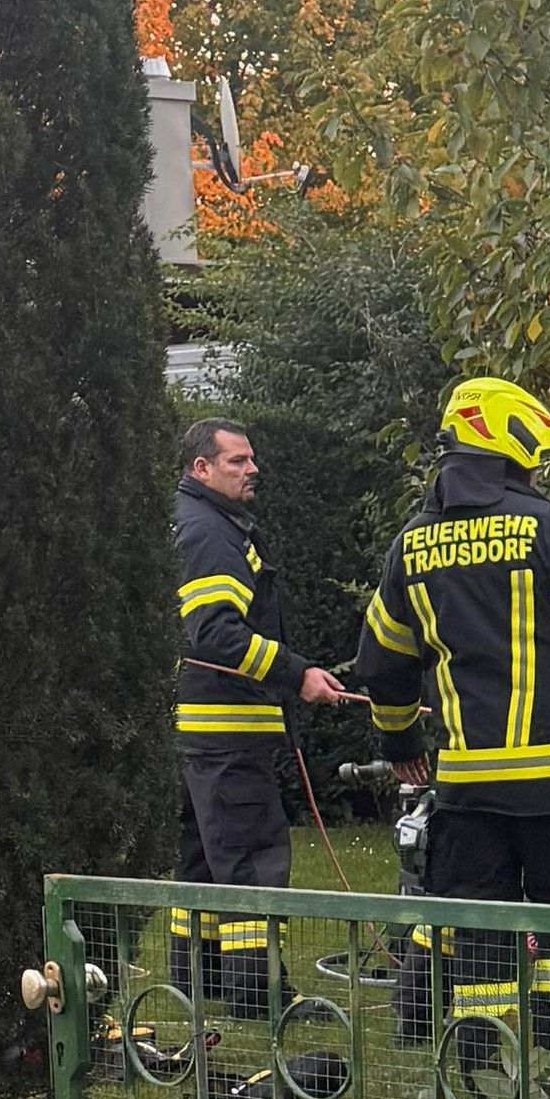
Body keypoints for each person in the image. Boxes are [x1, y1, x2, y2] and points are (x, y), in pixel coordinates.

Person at [350, 378, 550, 1051]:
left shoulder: (413, 545)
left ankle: (482, 1083)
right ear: (512, 445)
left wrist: (398, 735)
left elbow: (381, 662)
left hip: (466, 787)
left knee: (479, 936)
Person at [170, 417, 353, 1013]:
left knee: (202, 863)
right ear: (202, 468)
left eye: (251, 460)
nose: (253, 470)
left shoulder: (201, 521)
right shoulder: (211, 533)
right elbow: (217, 633)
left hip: (202, 733)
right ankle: (256, 995)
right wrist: (296, 673)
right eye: (237, 461)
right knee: (251, 863)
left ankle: (198, 984)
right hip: (228, 734)